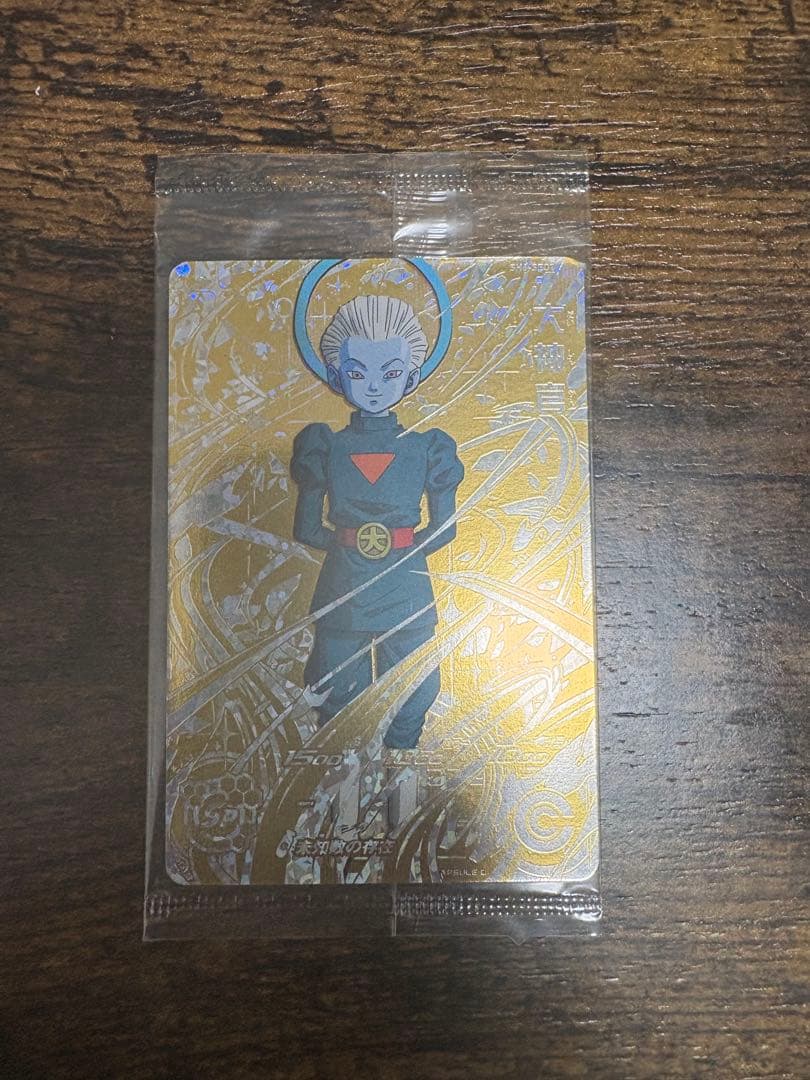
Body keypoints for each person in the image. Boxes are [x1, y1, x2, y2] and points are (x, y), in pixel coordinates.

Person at [290, 295, 464, 749]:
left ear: (411, 377)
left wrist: (350, 545)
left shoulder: (420, 448)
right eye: (357, 373)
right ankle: (375, 773)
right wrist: (400, 547)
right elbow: (443, 529)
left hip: (352, 581)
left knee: (364, 684)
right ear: (336, 377)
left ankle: (381, 774)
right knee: (388, 684)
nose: (372, 386)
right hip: (398, 581)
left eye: (389, 373)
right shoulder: (331, 445)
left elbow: (309, 529)